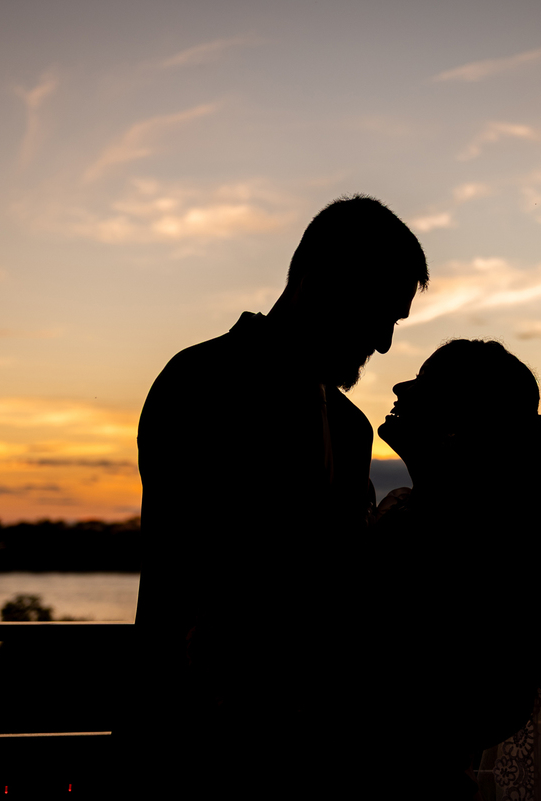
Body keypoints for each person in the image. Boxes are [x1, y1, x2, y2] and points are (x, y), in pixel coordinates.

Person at [129, 195, 428, 798]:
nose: (384, 344)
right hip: (192, 743)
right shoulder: (200, 383)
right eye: (380, 313)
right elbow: (201, 566)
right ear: (318, 283)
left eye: (395, 322)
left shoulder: (350, 428)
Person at [367, 338, 541, 801]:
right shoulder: (436, 516)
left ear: (458, 422)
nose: (400, 388)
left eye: (424, 382)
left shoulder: (461, 536)